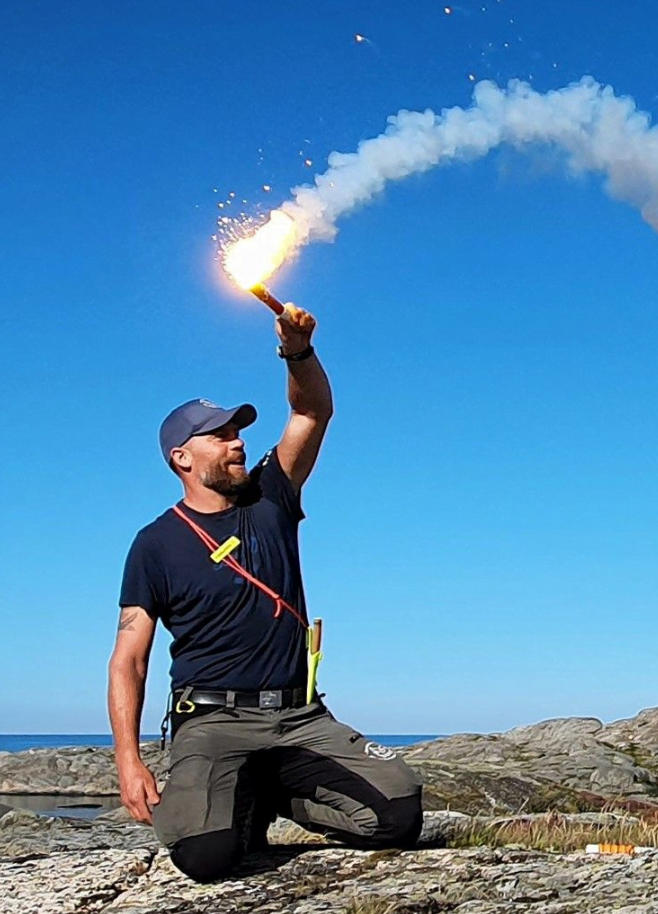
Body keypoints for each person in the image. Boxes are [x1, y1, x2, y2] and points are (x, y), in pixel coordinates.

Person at [106, 301, 423, 883]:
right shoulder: (154, 544)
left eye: (237, 433)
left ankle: (276, 793)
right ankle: (236, 795)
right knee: (205, 857)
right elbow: (129, 657)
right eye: (219, 435)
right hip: (211, 723)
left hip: (299, 717)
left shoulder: (270, 497)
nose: (236, 443)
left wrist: (297, 350)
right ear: (182, 457)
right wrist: (127, 758)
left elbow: (312, 410)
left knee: (399, 813)